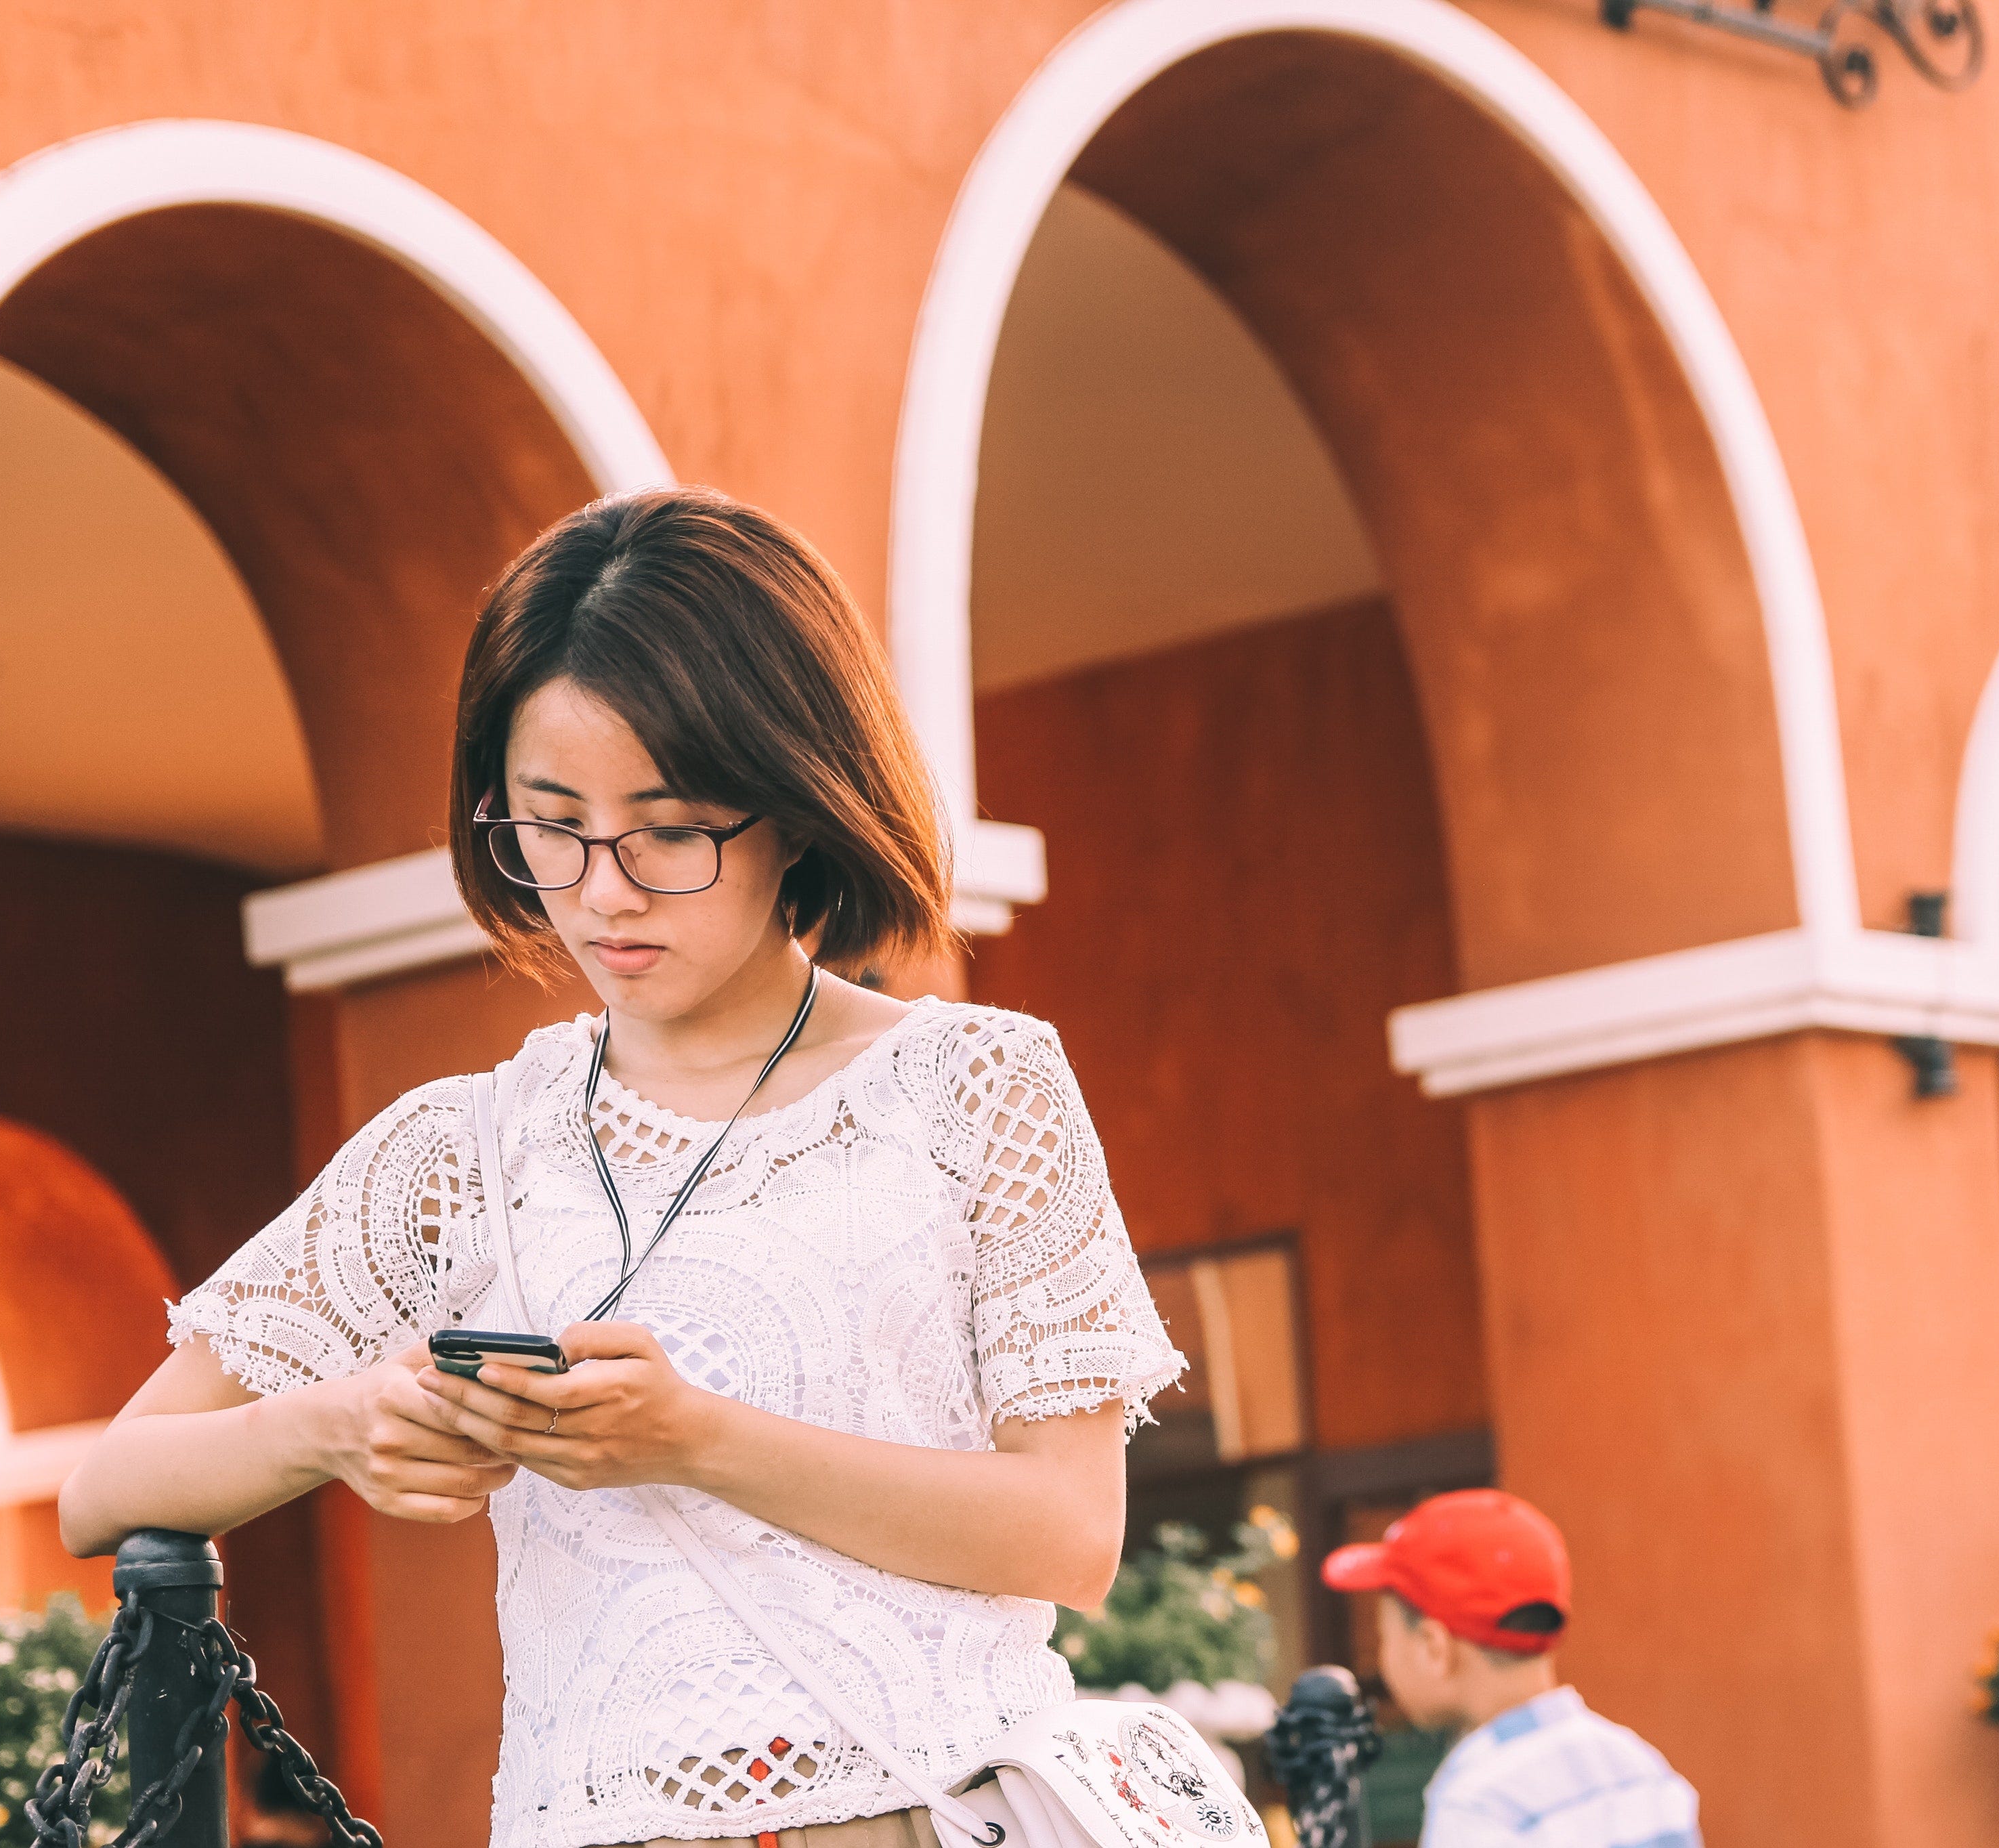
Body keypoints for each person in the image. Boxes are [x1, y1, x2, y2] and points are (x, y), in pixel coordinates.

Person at [58, 486, 1186, 1848]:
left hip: (912, 1811)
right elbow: (108, 1482)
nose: (600, 888)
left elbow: (1068, 1528)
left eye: (667, 826)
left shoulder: (971, 1087)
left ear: (797, 802)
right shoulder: (462, 1144)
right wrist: (343, 1421)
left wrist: (697, 1438)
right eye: (549, 822)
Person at [1323, 1490, 1701, 1848]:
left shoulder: (1478, 1802)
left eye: (1384, 1637)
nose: (1384, 1660)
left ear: (1434, 1648)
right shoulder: (1641, 1769)